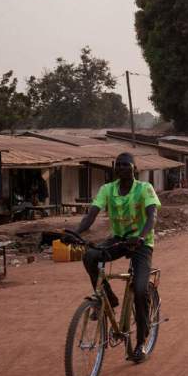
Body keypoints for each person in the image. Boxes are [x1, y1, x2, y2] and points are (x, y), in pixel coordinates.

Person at [71, 153, 160, 362]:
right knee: (90, 256)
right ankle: (108, 298)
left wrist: (141, 236)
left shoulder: (144, 188)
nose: (121, 168)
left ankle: (141, 343)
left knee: (139, 289)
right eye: (117, 165)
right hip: (119, 239)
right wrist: (76, 233)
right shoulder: (107, 189)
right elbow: (91, 214)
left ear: (134, 168)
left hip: (141, 243)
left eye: (125, 165)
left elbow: (152, 216)